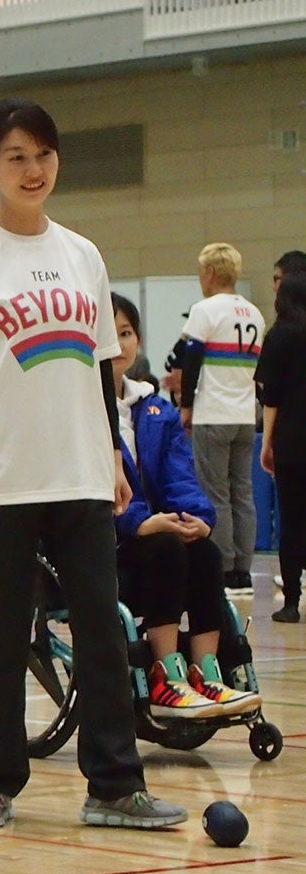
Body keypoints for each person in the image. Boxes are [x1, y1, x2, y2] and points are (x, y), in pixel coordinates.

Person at [0, 97, 184, 831]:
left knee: (101, 627)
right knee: (4, 630)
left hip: (80, 473)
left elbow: (98, 366)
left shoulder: (81, 254)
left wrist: (113, 453)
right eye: (16, 156)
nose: (33, 169)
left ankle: (115, 784)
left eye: (44, 154)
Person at [109, 293, 259, 716]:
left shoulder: (156, 408)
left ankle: (206, 672)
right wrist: (141, 522)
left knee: (205, 551)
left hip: (162, 533)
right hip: (113, 544)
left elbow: (181, 475)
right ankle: (165, 673)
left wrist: (198, 517)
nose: (119, 344)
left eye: (127, 333)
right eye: (110, 334)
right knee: (166, 550)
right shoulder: (77, 411)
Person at [179, 242, 263, 599]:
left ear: (210, 273)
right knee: (242, 491)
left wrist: (185, 406)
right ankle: (244, 567)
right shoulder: (255, 314)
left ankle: (225, 569)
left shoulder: (206, 310)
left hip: (213, 412)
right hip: (245, 414)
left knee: (216, 492)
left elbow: (191, 361)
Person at [258, 271, 306, 622]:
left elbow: (270, 395)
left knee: (291, 521)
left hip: (292, 438)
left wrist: (268, 442)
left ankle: (291, 601)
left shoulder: (279, 336)